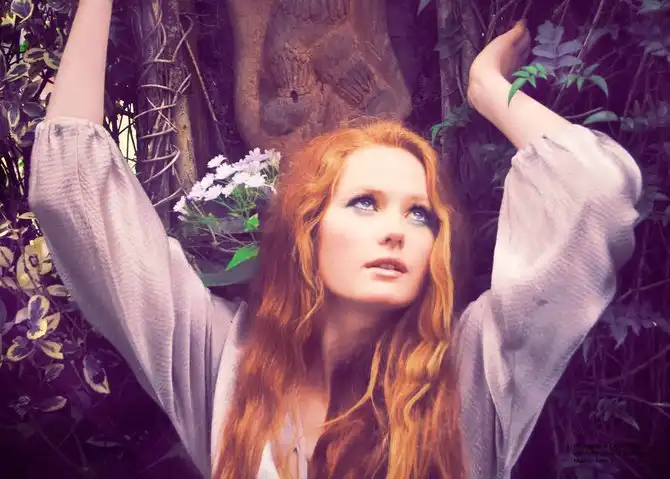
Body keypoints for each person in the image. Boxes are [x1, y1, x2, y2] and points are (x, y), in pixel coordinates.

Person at [28, 0, 643, 478]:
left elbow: (596, 195)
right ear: (308, 230)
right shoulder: (222, 366)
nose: (397, 230)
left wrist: (487, 90)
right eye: (365, 203)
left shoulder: (473, 372)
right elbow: (71, 196)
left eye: (420, 215)